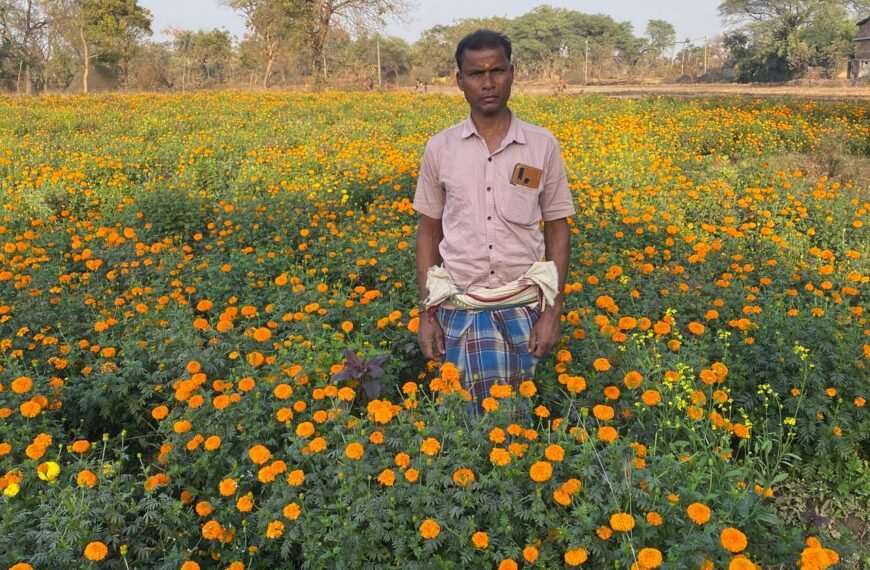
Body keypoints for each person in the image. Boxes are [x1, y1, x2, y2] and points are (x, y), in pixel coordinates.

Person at [413, 29, 575, 411]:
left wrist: (552, 313)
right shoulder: (440, 148)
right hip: (458, 309)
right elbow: (427, 233)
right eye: (475, 74)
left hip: (524, 310)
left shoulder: (541, 145)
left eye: (497, 71)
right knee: (461, 433)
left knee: (521, 430)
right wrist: (426, 314)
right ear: (460, 81)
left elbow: (557, 227)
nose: (488, 83)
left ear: (512, 73)